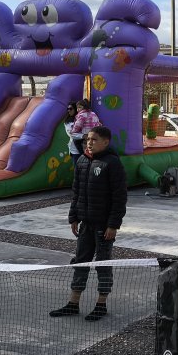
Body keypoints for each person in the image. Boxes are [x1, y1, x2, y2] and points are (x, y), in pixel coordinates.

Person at [49, 126, 127, 322]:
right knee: (80, 263)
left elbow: (119, 198)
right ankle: (73, 304)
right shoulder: (82, 161)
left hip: (104, 227)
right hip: (85, 224)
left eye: (94, 139)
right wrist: (73, 217)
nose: (89, 143)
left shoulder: (113, 163)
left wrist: (113, 225)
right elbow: (77, 193)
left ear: (106, 142)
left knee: (103, 264)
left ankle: (101, 304)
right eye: (87, 139)